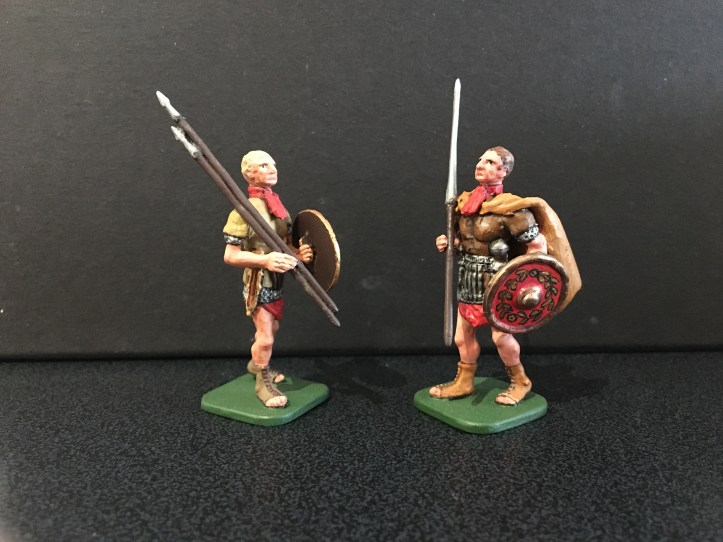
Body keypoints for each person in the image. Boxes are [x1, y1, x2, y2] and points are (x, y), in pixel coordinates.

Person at [433, 146, 578, 406]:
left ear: (503, 171)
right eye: (480, 160)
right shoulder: (464, 205)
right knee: (462, 337)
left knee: (501, 338)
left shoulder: (512, 210)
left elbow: (537, 247)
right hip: (469, 278)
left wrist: (522, 280)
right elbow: (464, 241)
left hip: (498, 281)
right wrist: (449, 243)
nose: (480, 164)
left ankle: (521, 381)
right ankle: (464, 382)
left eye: (490, 162)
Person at [222, 150, 314, 408]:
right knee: (266, 336)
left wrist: (299, 254)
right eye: (263, 165)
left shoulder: (277, 205)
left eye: (273, 164)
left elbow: (284, 245)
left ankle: (255, 365)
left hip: (277, 280)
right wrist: (264, 260)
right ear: (250, 174)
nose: (272, 169)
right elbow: (230, 255)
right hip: (258, 282)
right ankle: (263, 383)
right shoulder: (243, 211)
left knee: (272, 330)